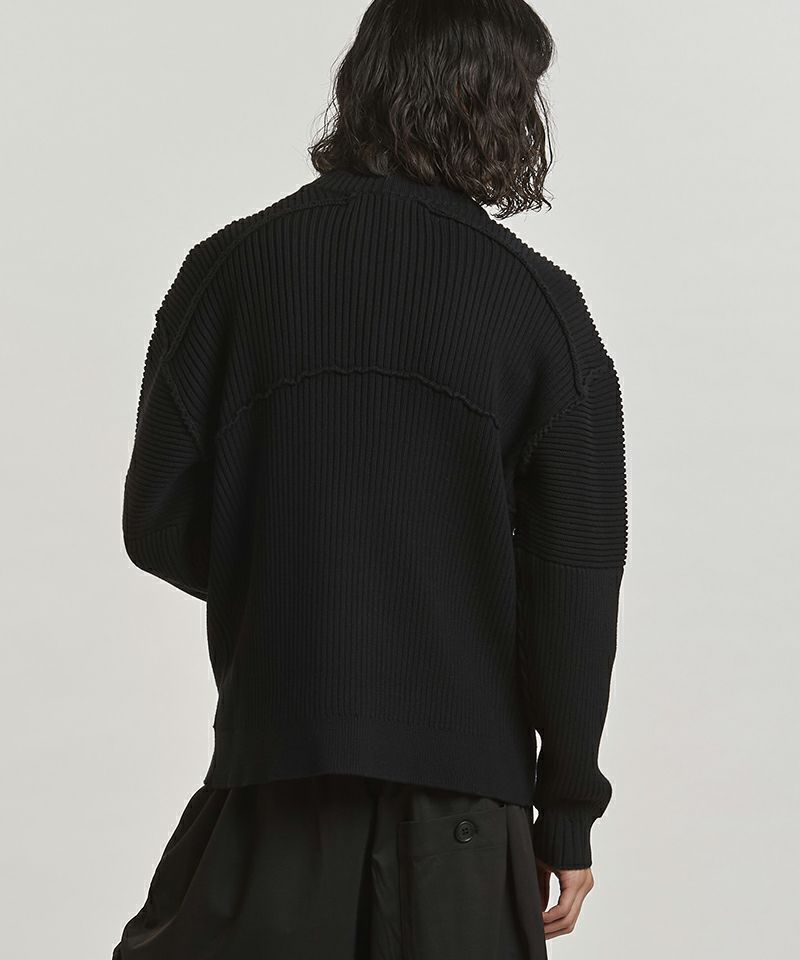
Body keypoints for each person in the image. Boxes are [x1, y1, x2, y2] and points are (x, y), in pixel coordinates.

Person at [112, 1, 628, 957]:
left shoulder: (229, 272)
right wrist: (567, 814)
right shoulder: (538, 308)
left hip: (274, 777)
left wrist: (300, 584)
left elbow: (158, 522)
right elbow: (575, 586)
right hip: (464, 814)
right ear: (493, 101)